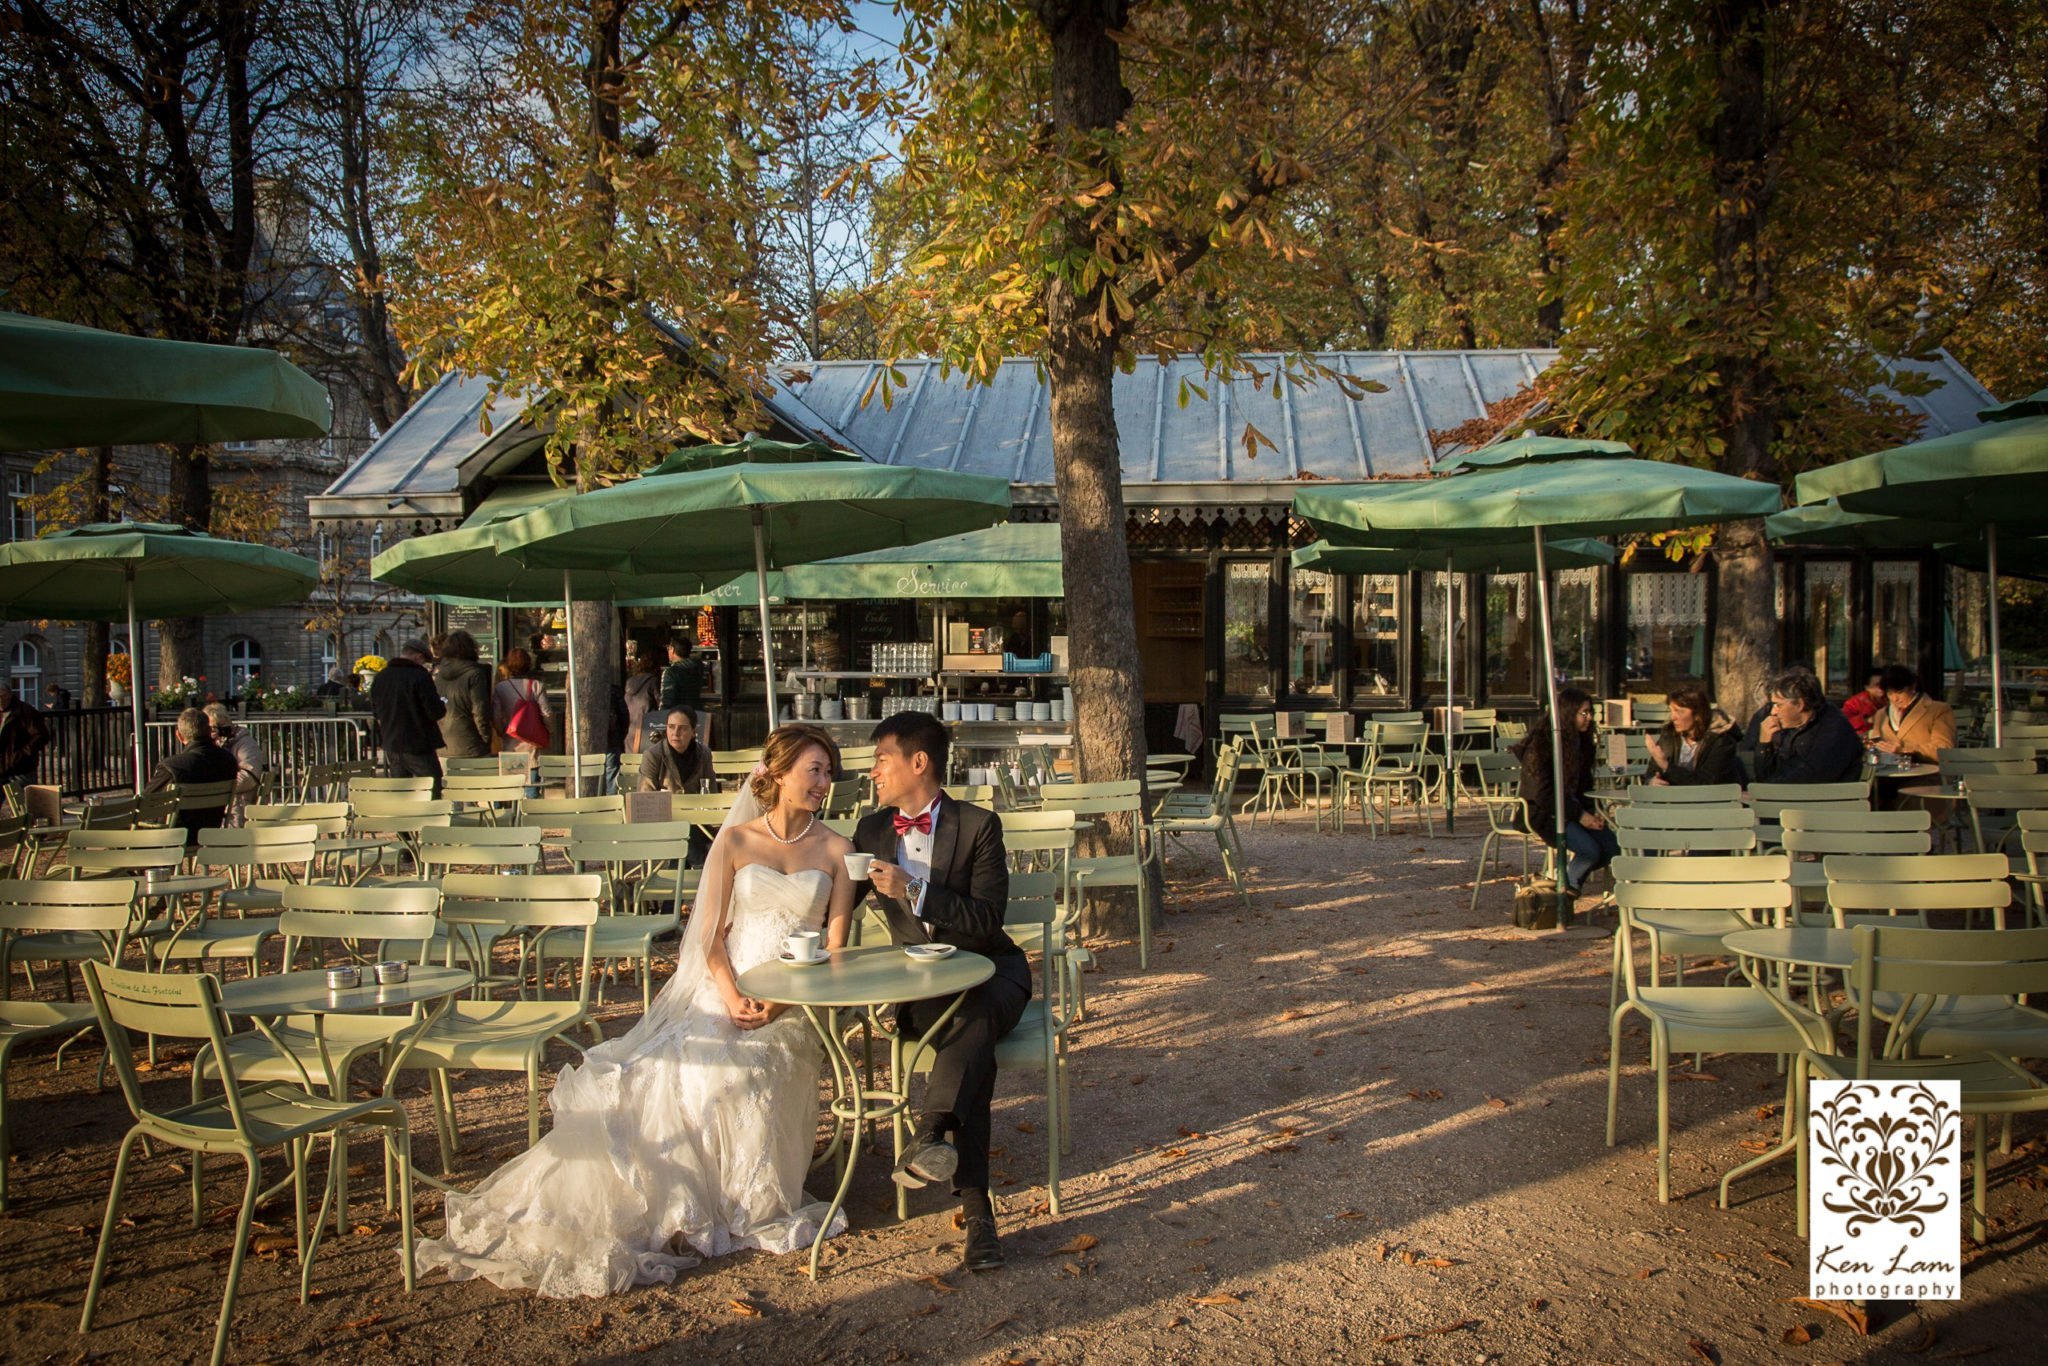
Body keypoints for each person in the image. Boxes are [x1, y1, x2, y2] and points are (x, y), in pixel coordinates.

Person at [413, 723, 856, 1297]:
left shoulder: (838, 849)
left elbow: (836, 946)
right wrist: (730, 994)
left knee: (757, 1064)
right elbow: (710, 940)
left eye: (827, 770)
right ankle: (670, 1192)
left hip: (792, 998)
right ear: (775, 774)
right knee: (682, 1072)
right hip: (727, 986)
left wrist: (781, 1001)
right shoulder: (737, 842)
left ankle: (747, 1197)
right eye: (813, 769)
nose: (824, 781)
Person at [851, 711, 1024, 1274]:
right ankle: (976, 1211)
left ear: (917, 762)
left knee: (974, 1017)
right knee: (970, 1039)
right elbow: (836, 902)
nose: (873, 770)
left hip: (993, 973)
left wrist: (915, 890)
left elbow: (986, 919)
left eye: (881, 758)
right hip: (921, 990)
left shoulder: (979, 825)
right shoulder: (872, 831)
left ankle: (932, 1131)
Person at [1514, 687, 1618, 896]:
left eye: (1591, 713)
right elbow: (1542, 794)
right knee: (1590, 851)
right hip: (1546, 813)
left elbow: (1584, 786)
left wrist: (1592, 811)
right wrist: (1580, 815)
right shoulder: (1541, 746)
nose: (1589, 718)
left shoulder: (1583, 744)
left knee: (1613, 848)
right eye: (1584, 713)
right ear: (1568, 713)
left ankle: (1563, 884)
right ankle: (1564, 890)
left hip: (1575, 809)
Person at [1752, 667, 1864, 783]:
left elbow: (1807, 777)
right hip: (1789, 797)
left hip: (1822, 799)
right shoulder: (1790, 727)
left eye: (1778, 705)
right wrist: (1764, 745)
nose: (1773, 712)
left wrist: (1764, 791)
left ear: (1800, 704)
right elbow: (1765, 777)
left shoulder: (1834, 729)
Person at [144, 707, 239, 839]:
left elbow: (146, 802)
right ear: (209, 731)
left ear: (179, 735)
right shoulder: (229, 761)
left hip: (174, 836)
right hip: (210, 833)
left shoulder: (172, 766)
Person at [638, 708, 717, 866]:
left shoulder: (703, 754)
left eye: (682, 728)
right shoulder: (653, 755)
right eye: (671, 727)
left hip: (697, 822)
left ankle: (684, 875)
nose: (675, 733)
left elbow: (711, 792)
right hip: (663, 821)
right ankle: (699, 869)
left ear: (694, 731)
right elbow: (644, 796)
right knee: (688, 834)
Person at [370, 639, 447, 794]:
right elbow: (435, 711)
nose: (423, 664)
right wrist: (442, 705)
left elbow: (375, 711)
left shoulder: (381, 677)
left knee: (401, 793)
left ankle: (404, 817)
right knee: (432, 788)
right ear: (418, 656)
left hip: (392, 744)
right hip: (418, 743)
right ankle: (430, 818)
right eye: (423, 661)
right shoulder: (419, 676)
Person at [1645, 684, 1743, 787]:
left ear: (1698, 714)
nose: (1673, 717)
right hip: (1673, 799)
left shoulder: (1721, 740)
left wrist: (1666, 766)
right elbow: (1652, 772)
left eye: (1679, 711)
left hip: (1711, 801)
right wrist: (1652, 781)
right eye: (1671, 710)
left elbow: (1706, 782)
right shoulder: (1669, 736)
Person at [493, 647, 553, 796]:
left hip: (510, 743)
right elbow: (547, 713)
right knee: (532, 788)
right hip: (532, 743)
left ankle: (512, 817)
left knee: (510, 790)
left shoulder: (500, 688)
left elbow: (496, 715)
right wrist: (549, 731)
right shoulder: (536, 685)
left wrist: (502, 732)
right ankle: (530, 816)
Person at [1868, 664, 1958, 765]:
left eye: (1899, 692)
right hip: (1889, 774)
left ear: (1912, 687)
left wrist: (1905, 749)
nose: (1894, 698)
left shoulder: (1938, 710)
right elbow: (1875, 745)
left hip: (1927, 774)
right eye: (1890, 693)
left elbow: (1944, 750)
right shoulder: (1881, 714)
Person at [434, 630, 494, 760]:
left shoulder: (439, 675)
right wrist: (485, 739)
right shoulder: (475, 674)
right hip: (471, 744)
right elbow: (480, 710)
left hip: (443, 744)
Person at [202, 702, 265, 798]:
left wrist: (217, 787)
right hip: (225, 801)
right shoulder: (213, 743)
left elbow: (248, 777)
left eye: (215, 728)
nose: (212, 733)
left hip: (238, 803)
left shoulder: (245, 743)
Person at [0, 683, 49, 796]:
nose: (0, 700)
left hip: (21, 768)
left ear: (10, 695)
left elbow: (41, 735)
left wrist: (22, 754)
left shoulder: (25, 711)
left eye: (3, 696)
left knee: (24, 806)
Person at [659, 635, 708, 724]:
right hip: (696, 716)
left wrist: (661, 721)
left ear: (672, 649)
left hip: (678, 719)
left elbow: (667, 700)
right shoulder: (698, 667)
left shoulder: (671, 672)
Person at [624, 653, 661, 754]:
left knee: (631, 759)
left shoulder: (629, 682)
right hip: (647, 724)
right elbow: (660, 702)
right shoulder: (653, 681)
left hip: (630, 726)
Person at [1841, 669, 1884, 737]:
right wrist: (1867, 720)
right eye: (1877, 685)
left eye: (1884, 684)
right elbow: (1844, 723)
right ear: (1867, 687)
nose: (1882, 688)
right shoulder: (1854, 702)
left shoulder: (1890, 700)